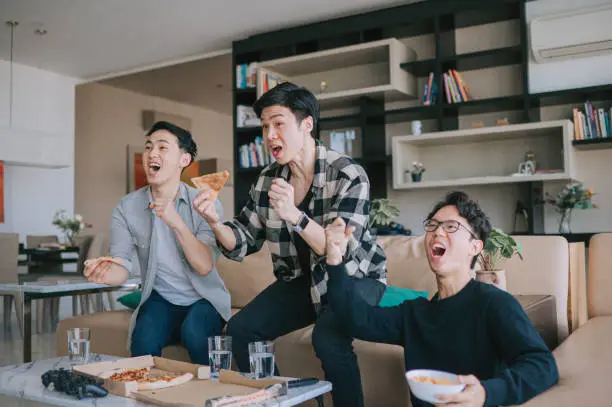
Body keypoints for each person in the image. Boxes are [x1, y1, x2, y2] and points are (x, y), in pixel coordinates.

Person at [193, 82, 387, 406]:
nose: (269, 135)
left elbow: (338, 250)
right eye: (265, 126)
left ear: (306, 124)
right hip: (300, 281)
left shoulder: (349, 174)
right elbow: (242, 239)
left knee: (329, 339)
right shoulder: (268, 179)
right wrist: (213, 220)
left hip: (353, 276)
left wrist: (293, 215)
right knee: (240, 330)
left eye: (278, 123)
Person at [324, 191, 559, 407]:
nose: (437, 231)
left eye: (450, 226)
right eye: (433, 225)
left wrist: (485, 393)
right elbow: (355, 318)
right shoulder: (415, 314)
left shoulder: (494, 304)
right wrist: (335, 259)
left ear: (475, 247)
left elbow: (542, 364)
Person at [84, 121, 231, 365]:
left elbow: (204, 266)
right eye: (149, 147)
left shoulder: (205, 202)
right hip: (160, 298)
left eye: (163, 148)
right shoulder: (126, 208)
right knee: (142, 340)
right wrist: (104, 272)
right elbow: (122, 265)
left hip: (203, 299)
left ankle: (207, 398)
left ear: (184, 159)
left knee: (195, 333)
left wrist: (176, 222)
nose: (152, 153)